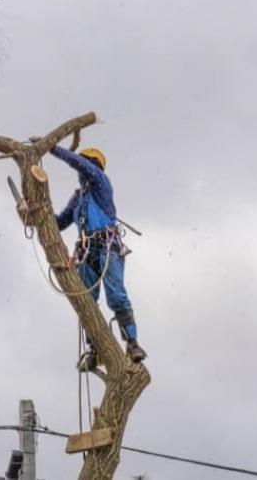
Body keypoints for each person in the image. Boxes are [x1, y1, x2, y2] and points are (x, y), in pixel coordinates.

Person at [50, 144, 147, 370]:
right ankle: (95, 350)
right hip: (86, 252)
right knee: (85, 302)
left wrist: (53, 149)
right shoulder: (79, 198)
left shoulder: (101, 183)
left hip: (107, 247)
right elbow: (60, 222)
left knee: (116, 295)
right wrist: (36, 212)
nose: (79, 169)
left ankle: (132, 343)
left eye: (83, 163)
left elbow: (80, 163)